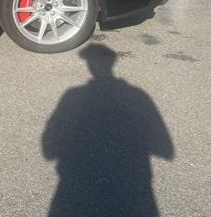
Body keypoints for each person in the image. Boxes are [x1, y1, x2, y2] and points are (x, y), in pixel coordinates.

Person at [42, 44, 174, 217]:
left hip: (75, 186)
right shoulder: (138, 96)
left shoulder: (72, 95)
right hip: (133, 187)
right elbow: (166, 150)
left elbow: (48, 151)